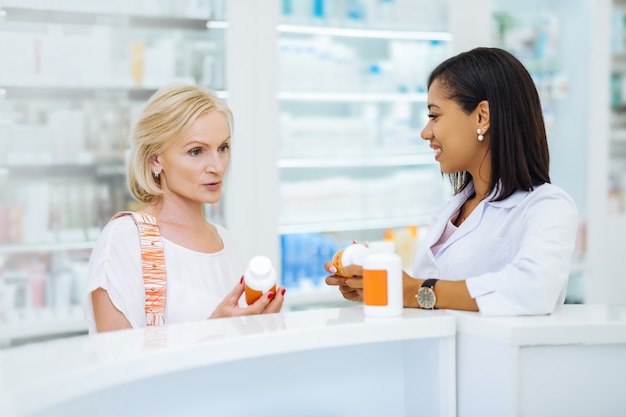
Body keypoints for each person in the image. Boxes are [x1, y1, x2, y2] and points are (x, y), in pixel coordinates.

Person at [325, 47, 579, 315]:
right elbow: (434, 299)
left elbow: (532, 289)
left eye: (434, 115)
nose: (426, 133)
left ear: (482, 116)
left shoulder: (547, 207)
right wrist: (381, 287)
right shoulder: (452, 211)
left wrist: (412, 290)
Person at [84, 84, 285, 333]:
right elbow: (118, 364)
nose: (217, 166)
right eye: (196, 151)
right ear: (155, 160)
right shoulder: (127, 238)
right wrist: (214, 330)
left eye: (223, 148)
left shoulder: (224, 240)